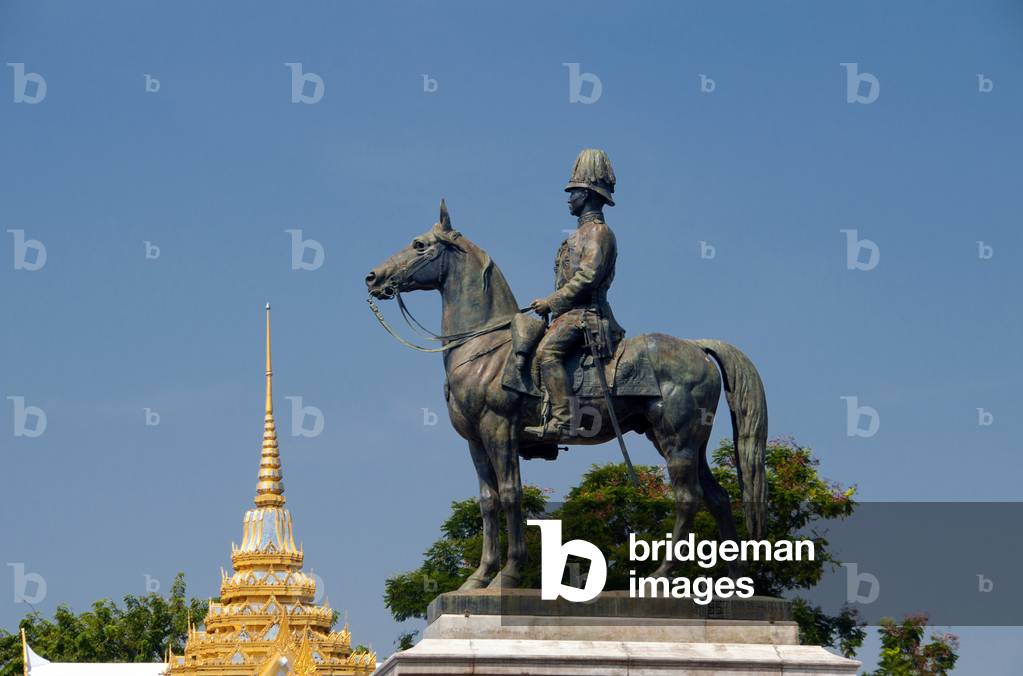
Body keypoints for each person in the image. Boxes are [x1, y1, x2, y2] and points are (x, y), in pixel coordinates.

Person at [523, 148, 625, 441]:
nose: (569, 198)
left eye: (574, 192)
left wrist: (551, 301)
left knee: (547, 353)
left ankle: (563, 421)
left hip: (587, 314)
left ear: (589, 195)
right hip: (568, 314)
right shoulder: (575, 235)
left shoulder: (598, 233)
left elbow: (588, 277)